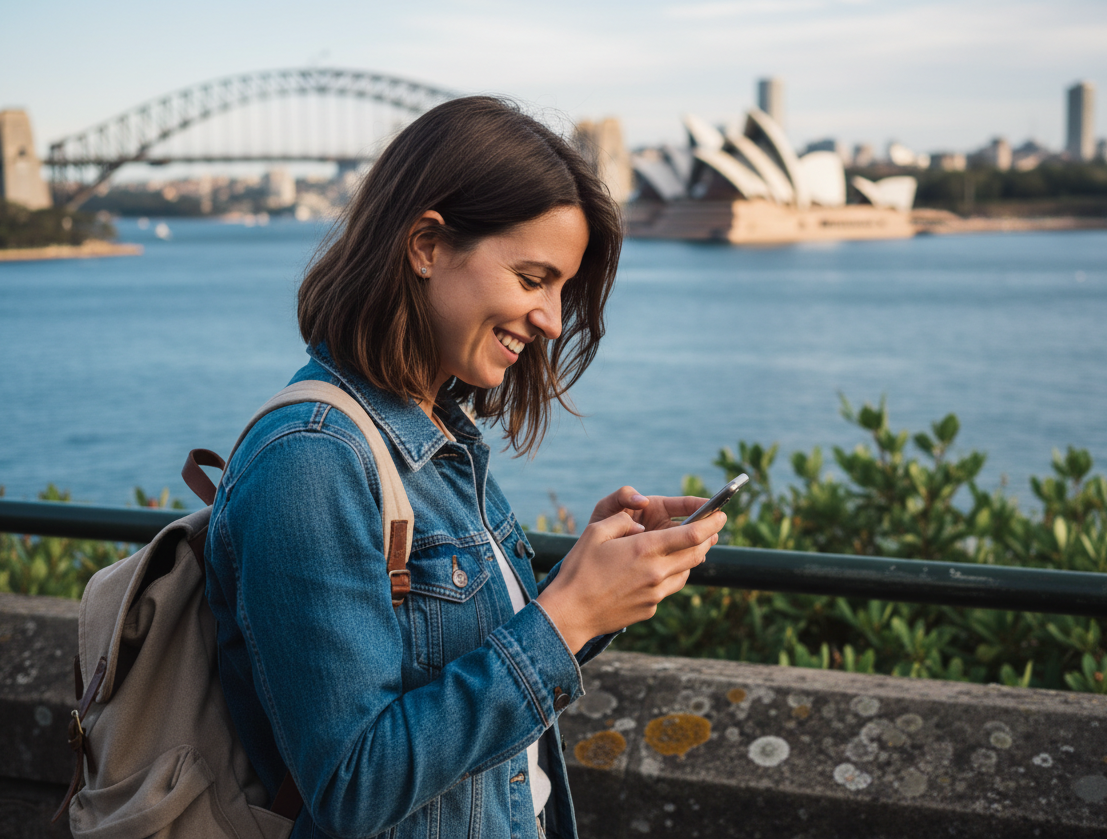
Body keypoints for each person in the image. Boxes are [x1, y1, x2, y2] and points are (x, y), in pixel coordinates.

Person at [203, 96, 726, 839]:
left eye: (562, 289)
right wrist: (567, 615)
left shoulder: (435, 434)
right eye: (533, 278)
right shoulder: (313, 459)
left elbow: (467, 669)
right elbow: (352, 784)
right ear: (426, 245)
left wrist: (590, 585)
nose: (553, 320)